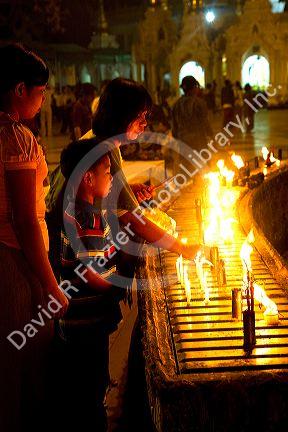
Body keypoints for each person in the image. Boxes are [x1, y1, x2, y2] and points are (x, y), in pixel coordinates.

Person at [46, 78, 200, 286]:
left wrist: (128, 191)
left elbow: (110, 198)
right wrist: (183, 248)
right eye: (140, 116)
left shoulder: (99, 140)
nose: (145, 124)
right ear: (122, 116)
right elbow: (131, 220)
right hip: (77, 262)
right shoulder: (104, 149)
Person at [0, 43, 68, 432]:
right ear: (20, 89)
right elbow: (25, 220)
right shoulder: (16, 138)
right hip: (15, 266)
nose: (44, 101)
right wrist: (50, 285)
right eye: (40, 92)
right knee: (24, 371)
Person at [57, 139, 123, 431]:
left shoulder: (74, 213)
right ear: (88, 178)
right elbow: (92, 276)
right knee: (91, 393)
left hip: (76, 324)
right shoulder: (88, 219)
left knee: (80, 391)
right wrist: (121, 285)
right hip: (88, 324)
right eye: (107, 170)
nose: (111, 177)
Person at [171, 75, 213, 170]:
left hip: (183, 144)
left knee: (188, 170)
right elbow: (205, 123)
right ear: (194, 88)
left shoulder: (176, 105)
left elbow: (174, 129)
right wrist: (212, 137)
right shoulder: (199, 103)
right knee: (203, 172)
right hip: (199, 143)